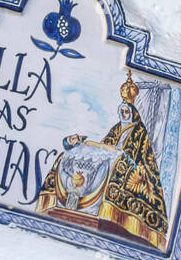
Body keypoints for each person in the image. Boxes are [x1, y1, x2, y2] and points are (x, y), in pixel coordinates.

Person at [37, 70, 170, 250]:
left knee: (118, 168)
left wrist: (119, 154)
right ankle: (76, 204)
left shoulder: (139, 132)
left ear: (132, 112)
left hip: (135, 169)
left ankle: (108, 211)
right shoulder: (116, 129)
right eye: (121, 111)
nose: (124, 114)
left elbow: (138, 156)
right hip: (114, 160)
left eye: (126, 111)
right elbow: (106, 146)